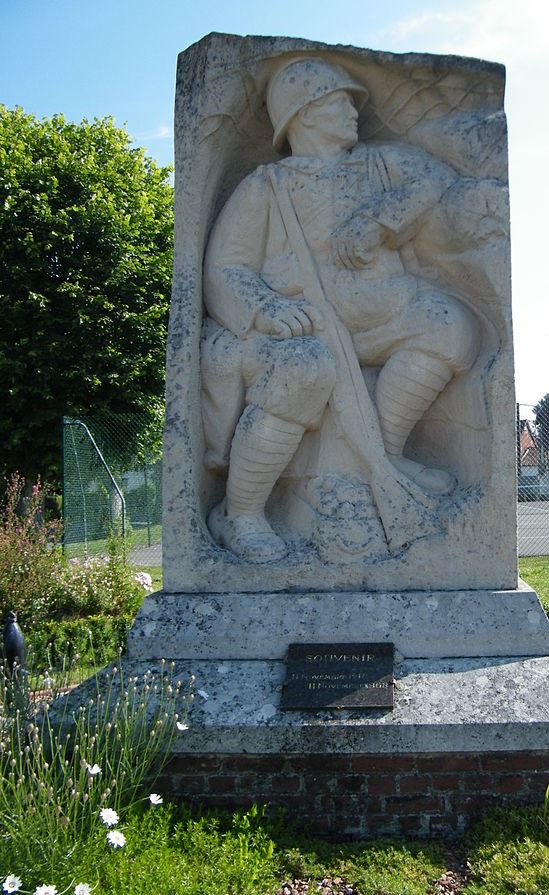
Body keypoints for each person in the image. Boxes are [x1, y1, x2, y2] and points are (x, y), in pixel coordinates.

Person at [201, 57, 479, 562]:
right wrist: (266, 309)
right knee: (305, 368)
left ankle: (388, 456)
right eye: (339, 102)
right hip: (296, 328)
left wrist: (379, 220)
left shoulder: (380, 164)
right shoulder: (267, 186)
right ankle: (240, 513)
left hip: (381, 315)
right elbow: (224, 267)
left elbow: (436, 179)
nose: (354, 110)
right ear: (303, 115)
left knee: (449, 326)